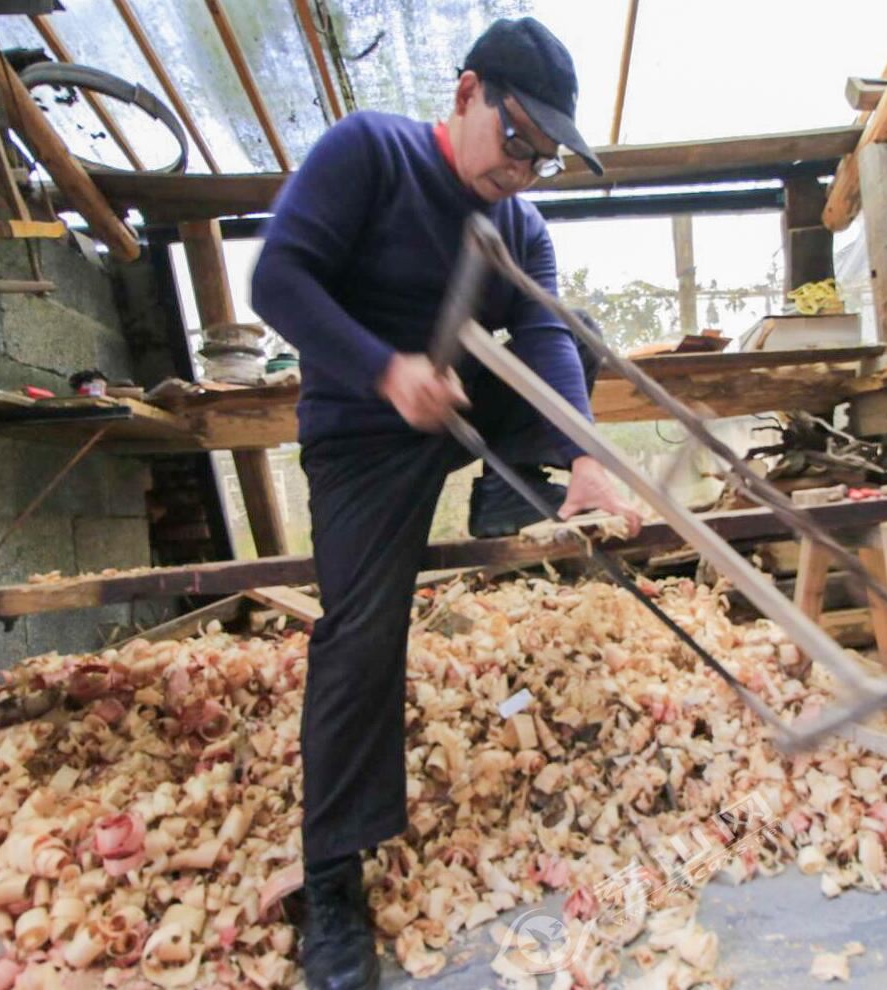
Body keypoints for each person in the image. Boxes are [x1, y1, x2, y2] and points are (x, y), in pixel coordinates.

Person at [250, 17, 640, 990]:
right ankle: (332, 882)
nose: (523, 168)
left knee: (570, 327)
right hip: (362, 433)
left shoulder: (519, 225)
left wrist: (584, 458)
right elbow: (278, 280)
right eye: (516, 139)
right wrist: (386, 373)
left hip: (458, 404)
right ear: (467, 94)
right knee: (359, 633)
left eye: (542, 157)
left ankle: (511, 493)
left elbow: (542, 345)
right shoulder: (368, 152)